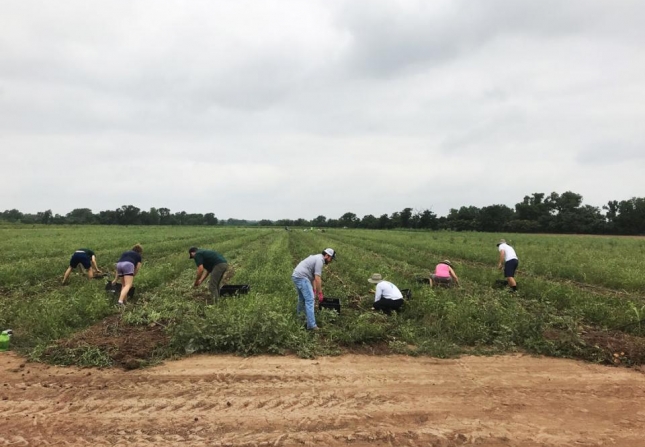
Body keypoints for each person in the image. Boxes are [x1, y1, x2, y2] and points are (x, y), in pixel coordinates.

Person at [292, 248, 336, 331]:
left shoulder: (317, 257)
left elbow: (312, 277)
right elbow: (317, 278)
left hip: (296, 276)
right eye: (331, 259)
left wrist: (314, 290)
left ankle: (300, 319)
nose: (331, 261)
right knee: (310, 300)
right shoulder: (320, 260)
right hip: (302, 277)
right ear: (327, 256)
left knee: (302, 299)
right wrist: (320, 293)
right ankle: (312, 326)